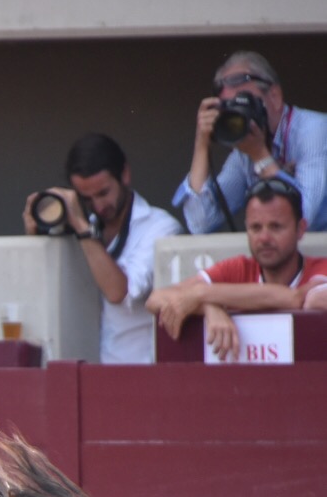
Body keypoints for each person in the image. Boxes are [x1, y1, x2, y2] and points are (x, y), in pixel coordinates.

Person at [22, 134, 182, 364]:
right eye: (86, 199)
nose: (97, 206)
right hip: (83, 372)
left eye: (103, 193)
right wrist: (36, 235)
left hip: (138, 373)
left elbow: (119, 291)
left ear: (125, 174)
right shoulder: (84, 227)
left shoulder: (161, 228)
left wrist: (80, 225)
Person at [148, 180, 327, 360]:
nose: (264, 238)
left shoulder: (321, 268)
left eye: (276, 227)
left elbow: (299, 299)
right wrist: (209, 307)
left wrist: (200, 293)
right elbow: (155, 299)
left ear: (300, 229)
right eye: (255, 228)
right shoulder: (238, 268)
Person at [173, 51, 327, 235]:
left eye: (245, 102)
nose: (240, 114)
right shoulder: (245, 151)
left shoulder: (314, 129)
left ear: (275, 97)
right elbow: (201, 224)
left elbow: (302, 218)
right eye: (231, 107)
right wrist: (202, 143)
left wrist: (261, 157)